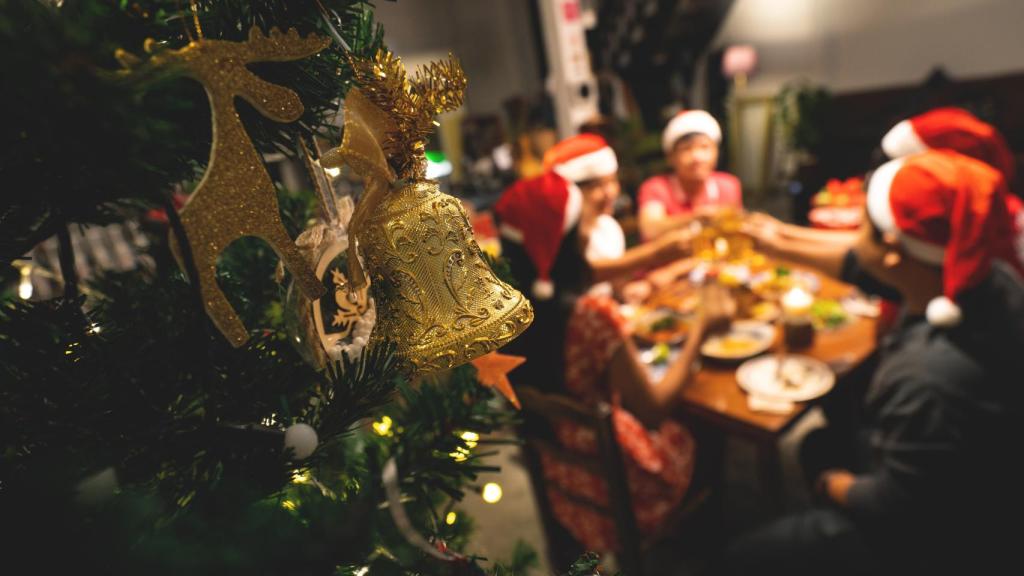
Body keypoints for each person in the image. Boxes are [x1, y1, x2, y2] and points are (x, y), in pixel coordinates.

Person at [724, 149, 1024, 575]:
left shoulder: (926, 376)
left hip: (938, 540)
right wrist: (777, 240)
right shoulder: (984, 280)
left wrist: (834, 485)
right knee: (818, 444)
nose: (853, 233)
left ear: (893, 250)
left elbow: (895, 504)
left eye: (862, 224)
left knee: (742, 559)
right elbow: (859, 264)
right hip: (977, 473)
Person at [494, 134, 735, 552]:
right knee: (708, 422)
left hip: (559, 481)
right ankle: (698, 541)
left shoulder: (503, 310)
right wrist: (702, 327)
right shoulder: (590, 316)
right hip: (618, 487)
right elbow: (653, 410)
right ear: (565, 240)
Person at [638, 110, 742, 241]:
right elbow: (650, 230)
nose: (697, 157)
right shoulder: (655, 187)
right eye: (686, 149)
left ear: (717, 152)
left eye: (704, 147)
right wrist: (697, 217)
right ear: (670, 157)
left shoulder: (729, 185)